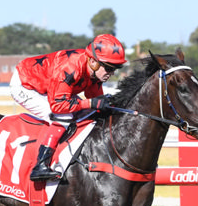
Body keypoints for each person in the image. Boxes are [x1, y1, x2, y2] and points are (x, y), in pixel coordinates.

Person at [10, 33, 127, 181]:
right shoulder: (71, 68)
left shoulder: (95, 73)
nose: (112, 73)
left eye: (115, 68)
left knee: (87, 113)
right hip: (26, 84)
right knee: (63, 116)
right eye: (109, 68)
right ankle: (40, 165)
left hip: (49, 87)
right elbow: (59, 106)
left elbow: (95, 101)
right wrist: (91, 103)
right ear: (93, 62)